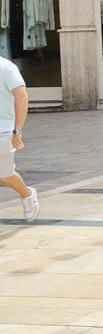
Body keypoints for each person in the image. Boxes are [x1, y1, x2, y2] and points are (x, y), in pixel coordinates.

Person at [0, 55, 38, 221]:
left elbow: (21, 97)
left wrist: (18, 130)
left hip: (4, 130)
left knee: (5, 175)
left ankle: (27, 194)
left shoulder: (7, 68)